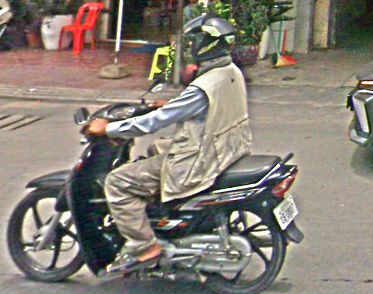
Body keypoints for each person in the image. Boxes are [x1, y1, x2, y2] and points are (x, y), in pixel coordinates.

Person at [82, 14, 253, 276]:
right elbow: (198, 107)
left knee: (117, 182)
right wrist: (172, 105)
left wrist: (109, 128)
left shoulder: (203, 86)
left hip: (201, 159)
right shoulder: (229, 72)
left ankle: (145, 246)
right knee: (156, 149)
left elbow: (154, 122)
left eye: (194, 43)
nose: (190, 49)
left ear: (203, 45)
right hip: (223, 148)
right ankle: (162, 218)